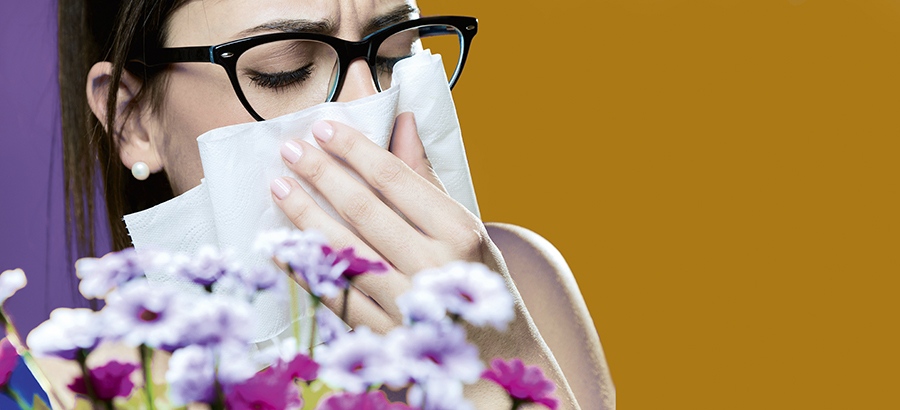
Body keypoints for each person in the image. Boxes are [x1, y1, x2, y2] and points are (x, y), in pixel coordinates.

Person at [58, 0, 615, 408]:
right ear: (131, 121)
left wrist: (495, 366)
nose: (368, 104)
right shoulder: (89, 389)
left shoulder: (512, 289)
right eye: (285, 70)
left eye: (396, 54)